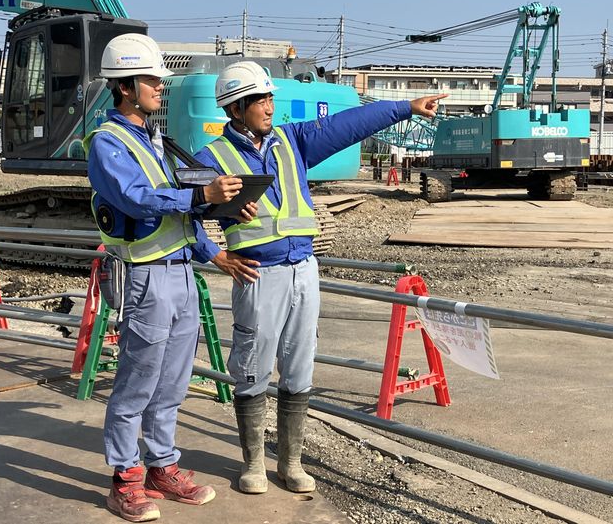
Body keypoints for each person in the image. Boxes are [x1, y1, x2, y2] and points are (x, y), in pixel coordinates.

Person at [193, 61, 446, 495]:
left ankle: (290, 463)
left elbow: (350, 124)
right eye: (259, 100)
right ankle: (254, 465)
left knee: (300, 366)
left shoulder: (292, 141)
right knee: (252, 367)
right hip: (258, 273)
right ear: (236, 109)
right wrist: (215, 254)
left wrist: (405, 106)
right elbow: (181, 214)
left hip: (304, 271)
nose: (270, 106)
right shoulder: (211, 159)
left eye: (270, 97)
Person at [84, 34, 258, 522]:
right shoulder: (107, 143)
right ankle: (125, 479)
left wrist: (212, 251)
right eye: (151, 80)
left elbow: (178, 212)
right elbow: (137, 199)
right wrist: (202, 199)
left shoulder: (155, 141)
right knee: (137, 382)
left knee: (173, 381)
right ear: (124, 87)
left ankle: (162, 464)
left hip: (181, 274)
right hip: (145, 278)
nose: (161, 87)